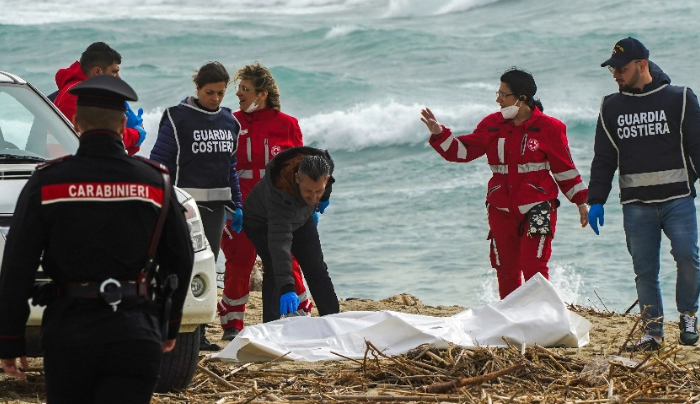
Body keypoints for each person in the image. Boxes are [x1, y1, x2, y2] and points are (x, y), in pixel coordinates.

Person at [0, 75, 194, 404]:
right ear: (122, 126)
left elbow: (18, 266)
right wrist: (169, 323)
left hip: (69, 332)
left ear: (76, 124)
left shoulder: (47, 184)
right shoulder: (156, 183)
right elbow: (181, 258)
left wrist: (10, 338)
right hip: (136, 331)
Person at [421, 67, 589, 299]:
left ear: (521, 98)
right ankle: (512, 322)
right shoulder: (491, 124)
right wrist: (440, 134)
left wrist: (581, 202)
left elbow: (564, 168)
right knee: (506, 270)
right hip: (500, 209)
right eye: (497, 92)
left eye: (503, 94)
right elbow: (462, 152)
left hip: (539, 206)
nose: (497, 99)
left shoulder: (550, 128)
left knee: (534, 267)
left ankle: (542, 319)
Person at [588, 37, 700, 352]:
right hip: (636, 206)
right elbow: (604, 158)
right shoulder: (611, 106)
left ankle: (688, 316)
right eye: (612, 70)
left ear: (642, 65)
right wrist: (596, 199)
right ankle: (652, 332)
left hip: (678, 199)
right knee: (645, 270)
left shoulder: (680, 99)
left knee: (689, 258)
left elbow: (697, 147)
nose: (616, 75)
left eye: (621, 69)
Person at [217, 62, 319, 341]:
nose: (238, 94)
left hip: (280, 210)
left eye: (245, 89)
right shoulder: (230, 122)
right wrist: (228, 206)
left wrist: (311, 206)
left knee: (287, 261)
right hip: (240, 209)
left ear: (262, 94)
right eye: (238, 88)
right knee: (239, 263)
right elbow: (220, 166)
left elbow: (303, 169)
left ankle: (298, 316)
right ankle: (232, 325)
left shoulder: (287, 125)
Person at [149, 61, 242, 351]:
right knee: (178, 267)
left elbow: (231, 168)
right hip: (183, 210)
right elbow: (160, 161)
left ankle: (198, 334)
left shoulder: (231, 122)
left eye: (221, 93)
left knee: (206, 269)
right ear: (197, 88)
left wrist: (237, 204)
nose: (215, 98)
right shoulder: (178, 118)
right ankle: (171, 330)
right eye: (210, 92)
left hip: (215, 211)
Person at [243, 146, 339, 323]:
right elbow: (280, 247)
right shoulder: (281, 193)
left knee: (316, 268)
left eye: (318, 191)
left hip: (301, 217)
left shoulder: (324, 170)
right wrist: (288, 288)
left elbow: (325, 186)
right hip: (261, 221)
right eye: (308, 191)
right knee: (274, 266)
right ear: (297, 178)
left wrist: (324, 197)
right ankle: (271, 326)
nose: (313, 197)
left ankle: (333, 320)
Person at [53, 41, 146, 155]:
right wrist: (136, 134)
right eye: (114, 72)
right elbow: (105, 139)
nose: (119, 78)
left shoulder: (77, 89)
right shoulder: (77, 96)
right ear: (97, 72)